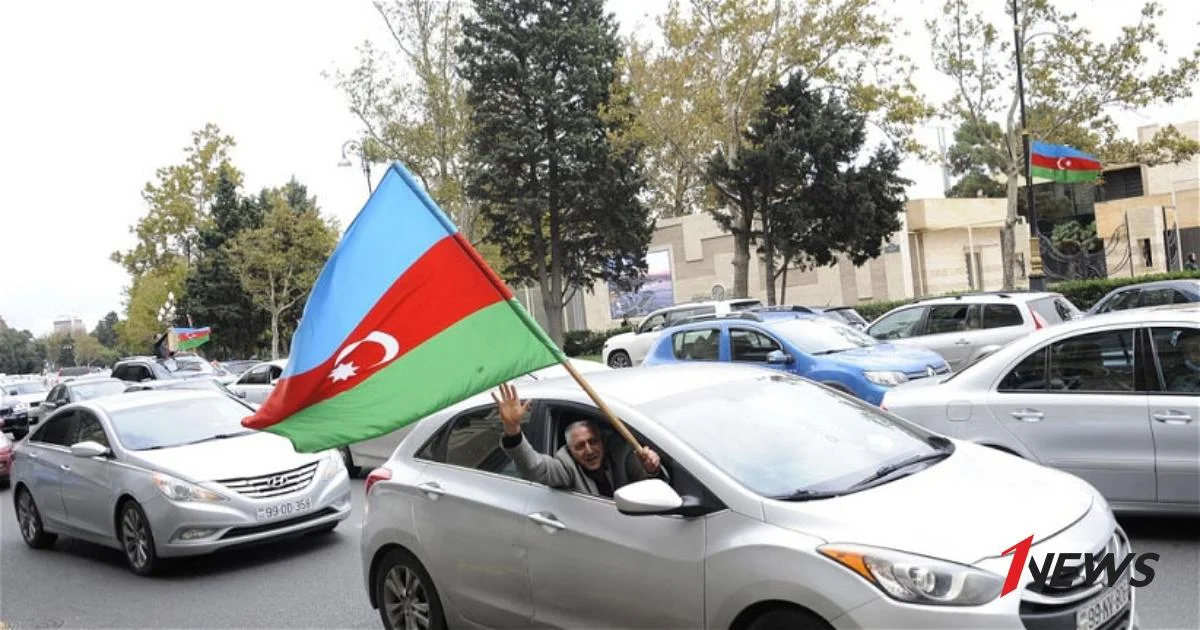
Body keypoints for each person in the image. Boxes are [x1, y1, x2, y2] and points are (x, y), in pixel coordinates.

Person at [493, 382, 665, 498]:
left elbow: (654, 491)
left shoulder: (624, 456)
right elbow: (534, 467)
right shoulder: (566, 468)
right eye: (580, 446)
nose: (589, 450)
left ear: (602, 441)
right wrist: (512, 429)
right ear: (570, 450)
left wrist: (652, 469)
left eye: (593, 441)